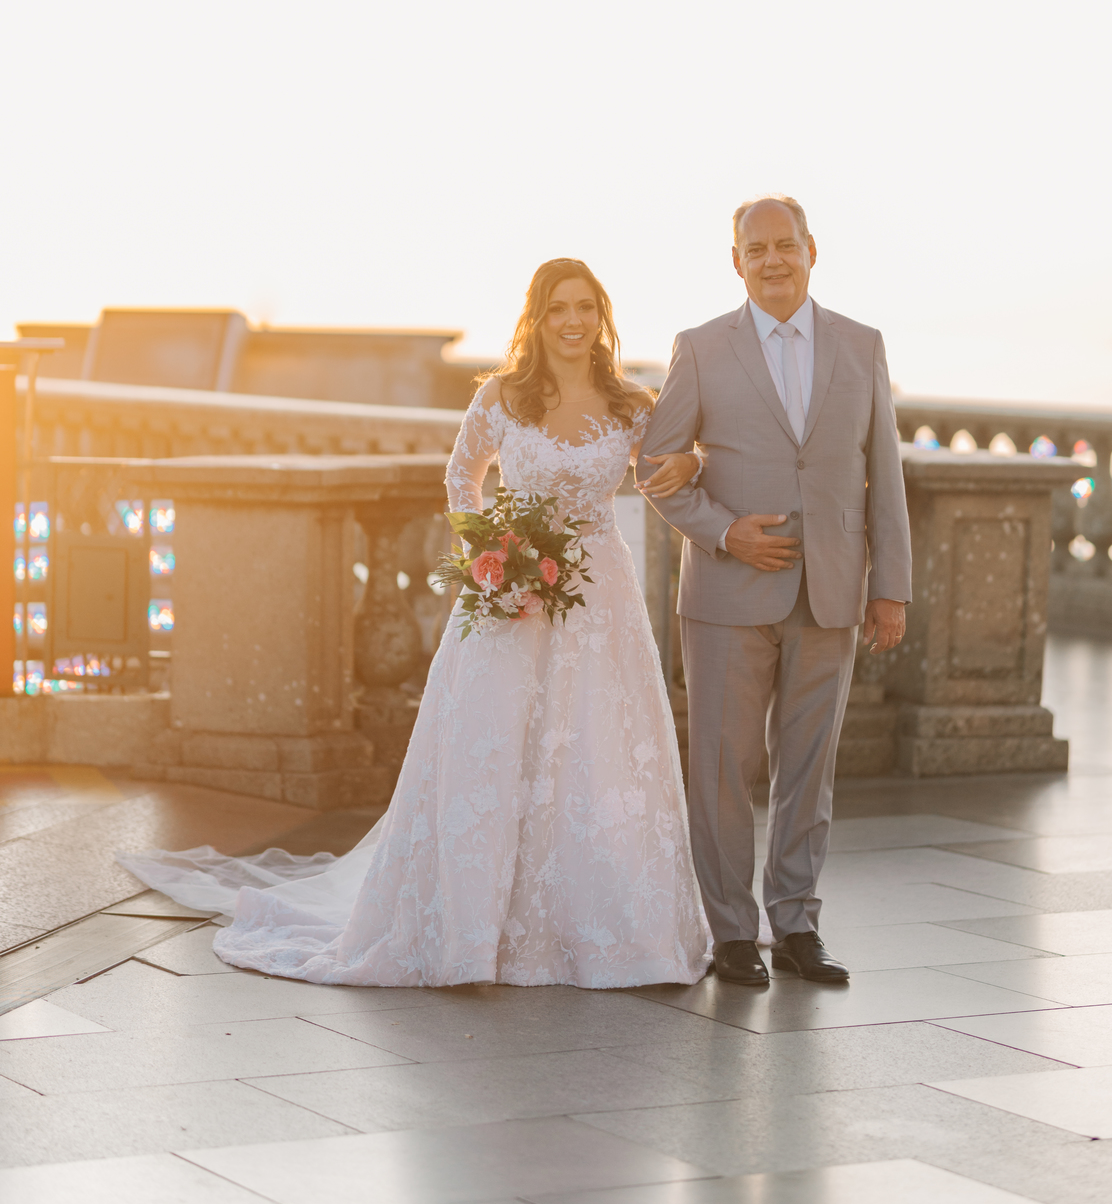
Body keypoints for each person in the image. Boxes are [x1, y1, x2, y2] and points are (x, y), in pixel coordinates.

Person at [118, 259, 709, 989]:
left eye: (586, 306)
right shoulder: (501, 397)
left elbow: (662, 471)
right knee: (492, 756)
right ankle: (471, 932)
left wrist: (697, 464)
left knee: (596, 754)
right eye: (559, 307)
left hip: (599, 599)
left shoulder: (630, 406)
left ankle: (609, 929)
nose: (574, 320)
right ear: (537, 315)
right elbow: (462, 477)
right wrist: (492, 553)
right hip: (510, 597)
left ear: (602, 315)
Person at [638, 197, 912, 986]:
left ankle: (795, 923)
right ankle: (730, 930)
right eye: (754, 249)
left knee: (809, 766)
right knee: (722, 763)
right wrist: (727, 532)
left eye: (784, 245)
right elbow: (656, 470)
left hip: (830, 590)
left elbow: (883, 472)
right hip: (727, 594)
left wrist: (887, 586)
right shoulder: (700, 347)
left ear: (811, 249)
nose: (771, 260)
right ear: (736, 261)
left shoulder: (862, 346)